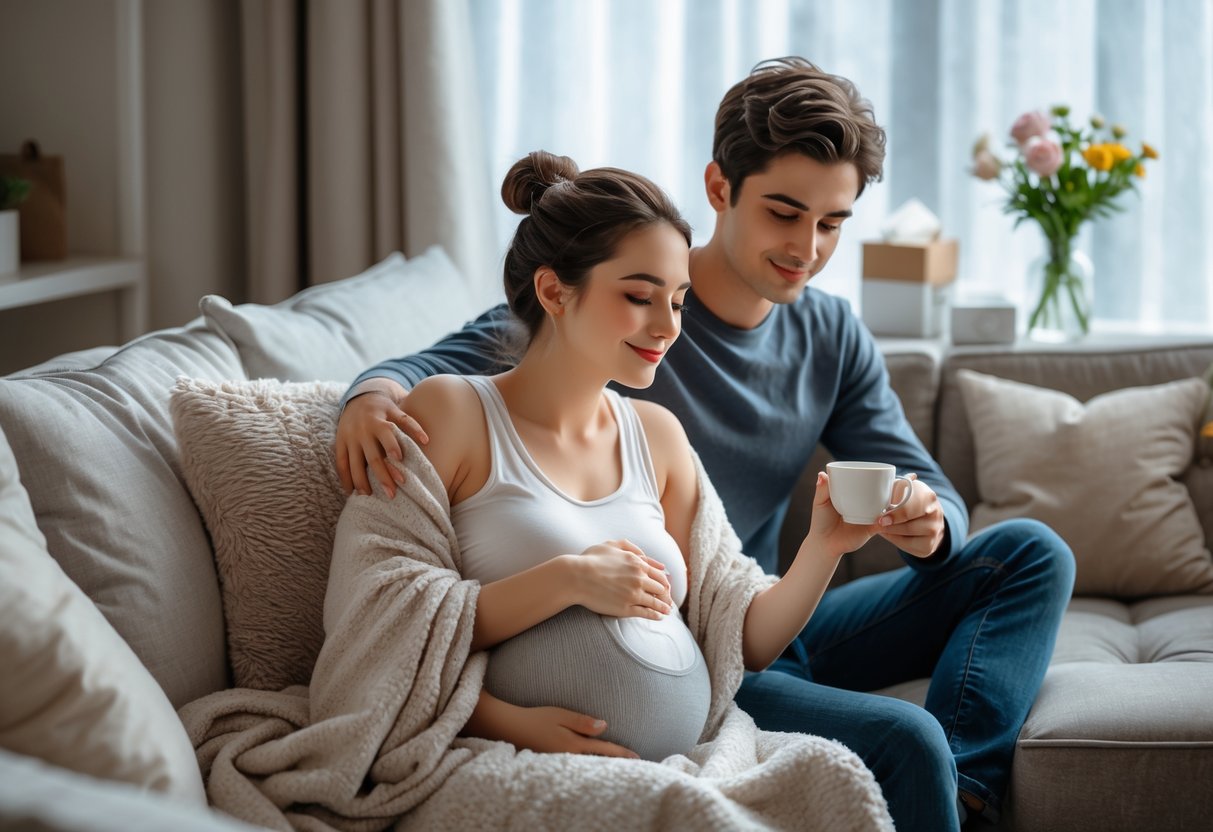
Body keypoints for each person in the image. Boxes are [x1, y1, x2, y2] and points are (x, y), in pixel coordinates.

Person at [334, 59, 1075, 831]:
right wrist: (369, 397)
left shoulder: (826, 335)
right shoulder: (614, 307)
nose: (807, 247)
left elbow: (918, 481)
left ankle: (961, 791)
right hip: (686, 636)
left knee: (1028, 553)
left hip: (760, 610)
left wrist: (929, 520)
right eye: (784, 214)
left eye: (831, 224)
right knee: (895, 735)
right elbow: (443, 366)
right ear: (719, 188)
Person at [408, 148, 887, 769]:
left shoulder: (657, 435)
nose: (667, 326)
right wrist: (566, 585)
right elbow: (389, 617)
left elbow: (742, 635)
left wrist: (824, 546)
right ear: (553, 290)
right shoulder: (452, 413)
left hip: (684, 765)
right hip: (508, 756)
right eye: (640, 295)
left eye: (680, 301)